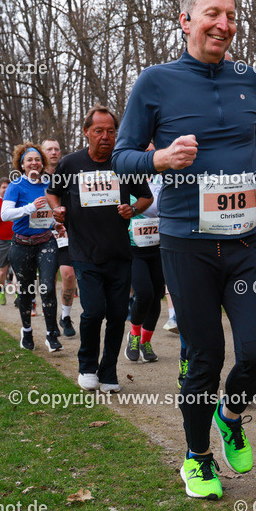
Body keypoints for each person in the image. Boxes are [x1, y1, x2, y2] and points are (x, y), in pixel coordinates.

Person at [112, 0, 256, 501]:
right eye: (213, 13)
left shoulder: (248, 80)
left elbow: (255, 145)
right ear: (186, 20)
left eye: (231, 15)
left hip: (243, 242)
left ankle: (230, 413)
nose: (224, 24)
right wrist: (160, 159)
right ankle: (196, 457)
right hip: (186, 244)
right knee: (204, 354)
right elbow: (122, 156)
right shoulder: (155, 82)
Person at [47, 107, 152, 390]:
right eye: (99, 131)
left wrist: (132, 209)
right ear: (86, 133)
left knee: (118, 315)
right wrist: (57, 210)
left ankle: (109, 372)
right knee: (93, 311)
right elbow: (52, 192)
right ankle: (87, 367)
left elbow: (146, 197)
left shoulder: (124, 163)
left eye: (110, 131)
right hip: (84, 251)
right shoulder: (70, 163)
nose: (106, 137)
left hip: (119, 252)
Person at [2, 144, 63, 353]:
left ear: (42, 163)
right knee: (26, 291)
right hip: (21, 245)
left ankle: (51, 335)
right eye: (29, 160)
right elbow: (5, 214)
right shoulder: (16, 185)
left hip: (46, 242)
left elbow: (48, 214)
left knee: (48, 287)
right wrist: (30, 208)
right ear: (22, 164)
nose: (34, 163)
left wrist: (57, 225)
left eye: (37, 159)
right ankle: (26, 330)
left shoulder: (49, 184)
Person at [125, 168, 164, 364]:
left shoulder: (163, 177)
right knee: (144, 293)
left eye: (151, 151)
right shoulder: (127, 178)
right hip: (134, 246)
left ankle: (146, 342)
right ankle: (133, 335)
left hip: (158, 245)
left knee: (156, 296)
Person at [42, 139, 77, 337]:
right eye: (49, 149)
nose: (53, 152)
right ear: (43, 153)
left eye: (56, 149)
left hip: (64, 232)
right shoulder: (35, 177)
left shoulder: (68, 173)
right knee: (48, 281)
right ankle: (50, 319)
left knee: (69, 275)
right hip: (42, 234)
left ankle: (65, 316)